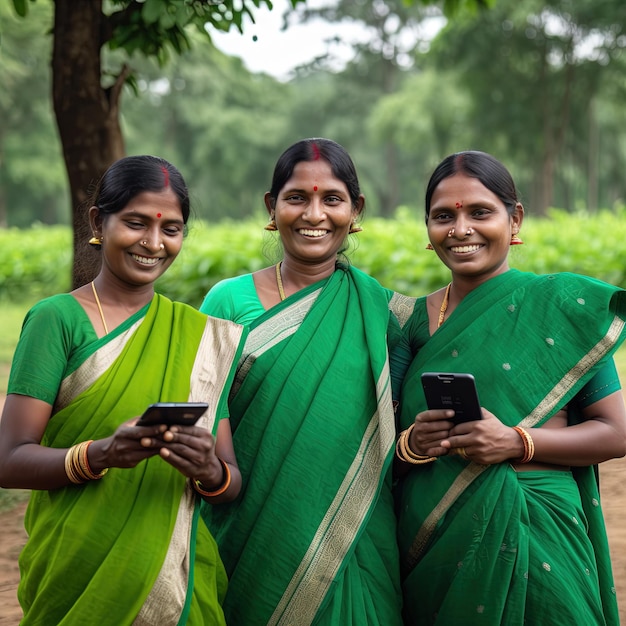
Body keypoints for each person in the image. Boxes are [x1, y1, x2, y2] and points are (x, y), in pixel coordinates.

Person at [0, 155, 246, 625]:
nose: (153, 243)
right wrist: (101, 454)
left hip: (177, 584)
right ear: (98, 221)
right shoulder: (58, 319)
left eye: (171, 229)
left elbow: (230, 481)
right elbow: (9, 460)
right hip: (77, 573)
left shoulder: (197, 337)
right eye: (136, 223)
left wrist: (208, 469)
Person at [394, 150, 626, 625]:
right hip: (438, 536)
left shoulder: (560, 309)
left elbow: (617, 431)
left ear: (514, 218)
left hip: (540, 530)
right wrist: (412, 445)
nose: (460, 230)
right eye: (444, 216)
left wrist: (515, 441)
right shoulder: (408, 323)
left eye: (480, 212)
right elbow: (376, 444)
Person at [199, 138, 414, 625]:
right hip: (249, 534)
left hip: (353, 537)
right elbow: (209, 419)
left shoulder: (380, 312)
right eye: (297, 197)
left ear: (354, 210)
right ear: (272, 207)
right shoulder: (228, 302)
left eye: (331, 199)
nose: (313, 214)